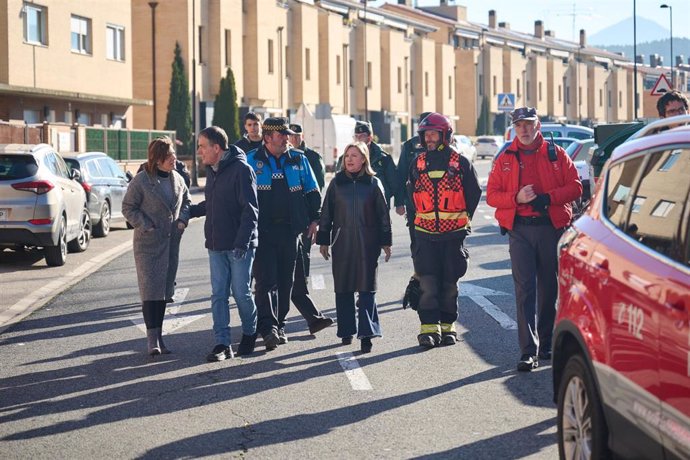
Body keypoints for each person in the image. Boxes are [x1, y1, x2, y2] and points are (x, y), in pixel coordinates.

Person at [486, 106, 582, 372]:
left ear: (537, 124)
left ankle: (547, 343)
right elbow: (492, 195)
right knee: (524, 290)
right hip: (519, 230)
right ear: (514, 128)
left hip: (550, 229)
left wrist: (547, 198)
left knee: (549, 289)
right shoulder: (505, 156)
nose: (524, 129)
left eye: (528, 124)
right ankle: (528, 350)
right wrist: (515, 198)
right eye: (519, 125)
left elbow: (575, 187)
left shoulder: (556, 154)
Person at [246, 117, 322, 350]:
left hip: (291, 231)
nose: (287, 139)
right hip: (262, 231)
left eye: (288, 134)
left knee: (285, 281)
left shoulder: (299, 159)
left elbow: (312, 191)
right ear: (268, 138)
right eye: (282, 135)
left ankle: (280, 325)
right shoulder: (250, 161)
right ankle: (267, 328)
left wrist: (315, 219)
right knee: (264, 280)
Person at [407, 113, 481, 349]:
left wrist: (460, 221)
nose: (429, 139)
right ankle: (428, 330)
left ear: (444, 135)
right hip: (425, 237)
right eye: (426, 135)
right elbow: (412, 201)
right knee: (428, 283)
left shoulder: (460, 164)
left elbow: (473, 195)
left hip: (453, 237)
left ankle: (448, 328)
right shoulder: (416, 164)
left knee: (449, 284)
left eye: (433, 134)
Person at [190, 126, 259, 361]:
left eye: (202, 146)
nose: (199, 151)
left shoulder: (242, 170)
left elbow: (250, 211)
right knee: (218, 295)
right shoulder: (212, 171)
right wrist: (189, 212)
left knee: (241, 293)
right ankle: (222, 344)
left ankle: (250, 332)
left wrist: (242, 243)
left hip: (240, 245)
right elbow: (211, 204)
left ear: (216, 148)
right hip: (216, 244)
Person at [317, 142, 392, 353]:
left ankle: (367, 334)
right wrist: (323, 240)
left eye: (354, 155)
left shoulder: (374, 183)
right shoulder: (337, 183)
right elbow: (326, 214)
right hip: (342, 243)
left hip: (368, 244)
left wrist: (386, 241)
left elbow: (383, 216)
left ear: (364, 159)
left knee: (367, 289)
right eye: (347, 155)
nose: (349, 159)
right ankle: (346, 330)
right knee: (343, 289)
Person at [122, 136, 191, 356]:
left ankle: (160, 337)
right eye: (169, 155)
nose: (174, 158)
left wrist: (183, 220)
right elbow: (128, 208)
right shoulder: (142, 180)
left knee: (163, 293)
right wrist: (145, 225)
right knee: (150, 291)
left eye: (174, 154)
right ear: (158, 158)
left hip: (171, 245)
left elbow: (187, 202)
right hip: (148, 245)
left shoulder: (178, 179)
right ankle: (152, 340)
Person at [287, 122, 334, 335]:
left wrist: (316, 218)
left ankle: (302, 285)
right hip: (286, 222)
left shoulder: (310, 158)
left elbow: (317, 188)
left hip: (304, 218)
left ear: (301, 136)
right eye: (290, 135)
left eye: (295, 135)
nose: (292, 139)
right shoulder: (278, 159)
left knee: (302, 256)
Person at [337, 121, 403, 210]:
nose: (358, 139)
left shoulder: (383, 158)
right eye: (356, 136)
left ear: (370, 138)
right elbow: (338, 184)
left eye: (362, 136)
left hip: (378, 208)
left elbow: (394, 183)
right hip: (352, 209)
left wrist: (399, 203)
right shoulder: (344, 159)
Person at [395, 112, 431, 248]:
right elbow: (401, 174)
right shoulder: (410, 146)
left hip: (439, 205)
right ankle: (419, 268)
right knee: (416, 242)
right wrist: (399, 202)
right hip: (414, 203)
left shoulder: (444, 146)